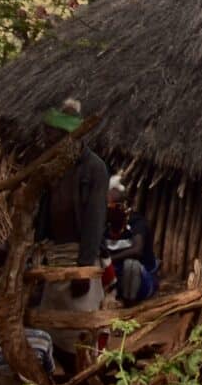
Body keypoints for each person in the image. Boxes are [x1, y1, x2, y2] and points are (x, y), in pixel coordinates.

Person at [33, 100, 112, 325]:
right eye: (46, 132)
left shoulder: (94, 169)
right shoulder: (49, 167)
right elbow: (36, 213)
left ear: (67, 136)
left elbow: (95, 220)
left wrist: (84, 268)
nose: (46, 139)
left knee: (80, 328)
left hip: (79, 256)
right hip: (54, 255)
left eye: (51, 133)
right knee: (51, 326)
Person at [105, 177, 158, 304]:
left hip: (141, 281)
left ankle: (128, 305)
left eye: (109, 206)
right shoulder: (104, 225)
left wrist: (108, 260)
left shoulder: (137, 223)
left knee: (131, 265)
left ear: (121, 207)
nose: (105, 209)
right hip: (115, 278)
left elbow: (137, 250)